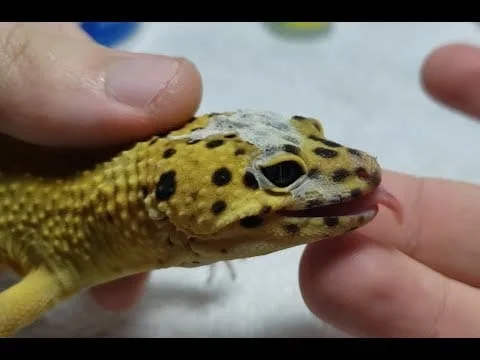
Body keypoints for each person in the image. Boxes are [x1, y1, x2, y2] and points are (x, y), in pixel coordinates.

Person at [0, 23, 478, 337]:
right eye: (282, 175)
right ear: (168, 208)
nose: (360, 169)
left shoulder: (121, 201)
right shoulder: (59, 270)